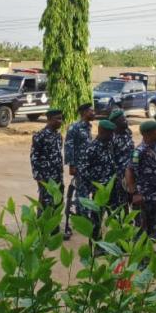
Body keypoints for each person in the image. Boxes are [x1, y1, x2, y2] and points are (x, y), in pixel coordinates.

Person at [126, 121, 156, 238]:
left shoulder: (155, 147)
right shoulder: (140, 151)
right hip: (143, 197)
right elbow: (129, 171)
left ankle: (148, 252)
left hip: (154, 197)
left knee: (152, 228)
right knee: (141, 229)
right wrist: (134, 193)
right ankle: (141, 254)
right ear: (149, 133)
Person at [77, 120, 116, 240]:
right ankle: (95, 244)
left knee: (115, 216)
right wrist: (94, 184)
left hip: (111, 187)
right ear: (101, 131)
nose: (112, 136)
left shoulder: (109, 144)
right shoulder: (91, 148)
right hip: (98, 190)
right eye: (109, 133)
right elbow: (83, 170)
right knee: (97, 217)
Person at [63, 103, 95, 239]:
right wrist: (71, 165)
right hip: (79, 166)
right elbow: (69, 146)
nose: (93, 112)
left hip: (89, 167)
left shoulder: (88, 127)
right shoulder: (75, 127)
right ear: (83, 113)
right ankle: (82, 219)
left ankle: (84, 216)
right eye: (90, 111)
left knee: (86, 192)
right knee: (81, 193)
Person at [30, 109, 65, 213]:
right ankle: (42, 228)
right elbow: (34, 157)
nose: (61, 121)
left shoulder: (58, 136)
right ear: (49, 120)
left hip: (58, 176)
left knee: (58, 203)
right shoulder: (40, 136)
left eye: (61, 118)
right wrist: (38, 177)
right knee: (45, 204)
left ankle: (55, 228)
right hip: (46, 178)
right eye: (58, 119)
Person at [108, 109, 134, 209]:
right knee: (121, 206)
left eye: (125, 118)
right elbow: (111, 160)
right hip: (119, 178)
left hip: (131, 175)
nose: (126, 121)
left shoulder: (128, 133)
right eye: (122, 119)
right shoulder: (111, 138)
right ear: (115, 123)